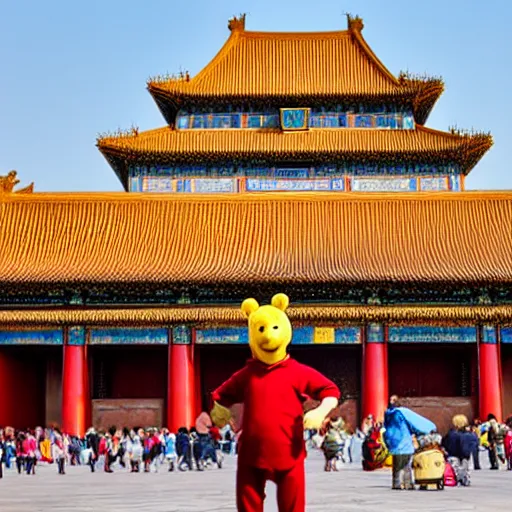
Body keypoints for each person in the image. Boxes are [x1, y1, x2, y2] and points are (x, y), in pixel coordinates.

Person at [383, 395, 436, 490]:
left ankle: (396, 483)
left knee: (397, 464)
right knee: (406, 464)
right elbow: (415, 422)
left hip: (394, 441)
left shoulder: (388, 413)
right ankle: (407, 483)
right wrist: (428, 428)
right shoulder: (402, 412)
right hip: (404, 441)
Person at [442, 414, 477, 486]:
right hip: (465, 456)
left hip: (453, 456)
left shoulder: (452, 434)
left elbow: (445, 444)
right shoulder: (470, 434)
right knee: (465, 468)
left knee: (455, 469)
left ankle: (456, 480)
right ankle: (465, 480)